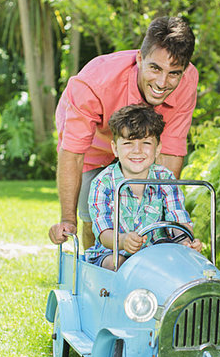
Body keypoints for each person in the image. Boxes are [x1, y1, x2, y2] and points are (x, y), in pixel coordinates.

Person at [48, 16, 198, 250]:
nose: (161, 82)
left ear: (184, 70)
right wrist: (68, 219)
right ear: (140, 58)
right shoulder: (93, 83)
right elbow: (73, 153)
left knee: (151, 216)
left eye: (173, 73)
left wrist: (167, 218)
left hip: (145, 144)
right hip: (93, 145)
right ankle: (98, 273)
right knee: (93, 218)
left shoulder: (188, 81)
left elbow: (171, 151)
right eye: (155, 68)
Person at [85, 104, 202, 269]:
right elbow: (103, 233)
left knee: (184, 261)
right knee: (118, 263)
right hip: (113, 252)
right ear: (115, 148)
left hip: (157, 254)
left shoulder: (164, 178)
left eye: (146, 143)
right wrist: (123, 240)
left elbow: (178, 220)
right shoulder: (103, 183)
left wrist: (185, 242)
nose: (137, 150)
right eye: (128, 143)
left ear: (157, 149)